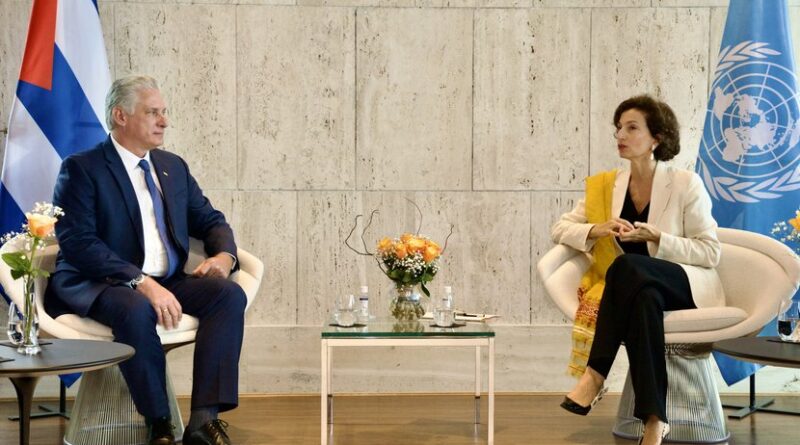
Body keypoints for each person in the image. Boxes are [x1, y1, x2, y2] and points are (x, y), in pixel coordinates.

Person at [45, 75, 246, 445]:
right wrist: (140, 281)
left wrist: (224, 255)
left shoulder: (173, 166)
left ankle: (203, 421)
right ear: (121, 116)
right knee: (135, 307)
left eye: (164, 112)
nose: (164, 121)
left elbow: (211, 220)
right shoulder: (82, 168)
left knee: (228, 295)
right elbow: (78, 243)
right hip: (100, 283)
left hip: (165, 280)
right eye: (153, 112)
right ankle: (159, 424)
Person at [551, 95, 723, 445]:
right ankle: (655, 421)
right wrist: (596, 229)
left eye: (632, 128)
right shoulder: (606, 186)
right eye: (618, 128)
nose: (621, 135)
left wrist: (658, 237)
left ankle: (595, 375)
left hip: (685, 282)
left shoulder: (685, 183)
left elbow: (710, 252)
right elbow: (559, 229)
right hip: (642, 290)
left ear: (657, 137)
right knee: (644, 299)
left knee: (626, 264)